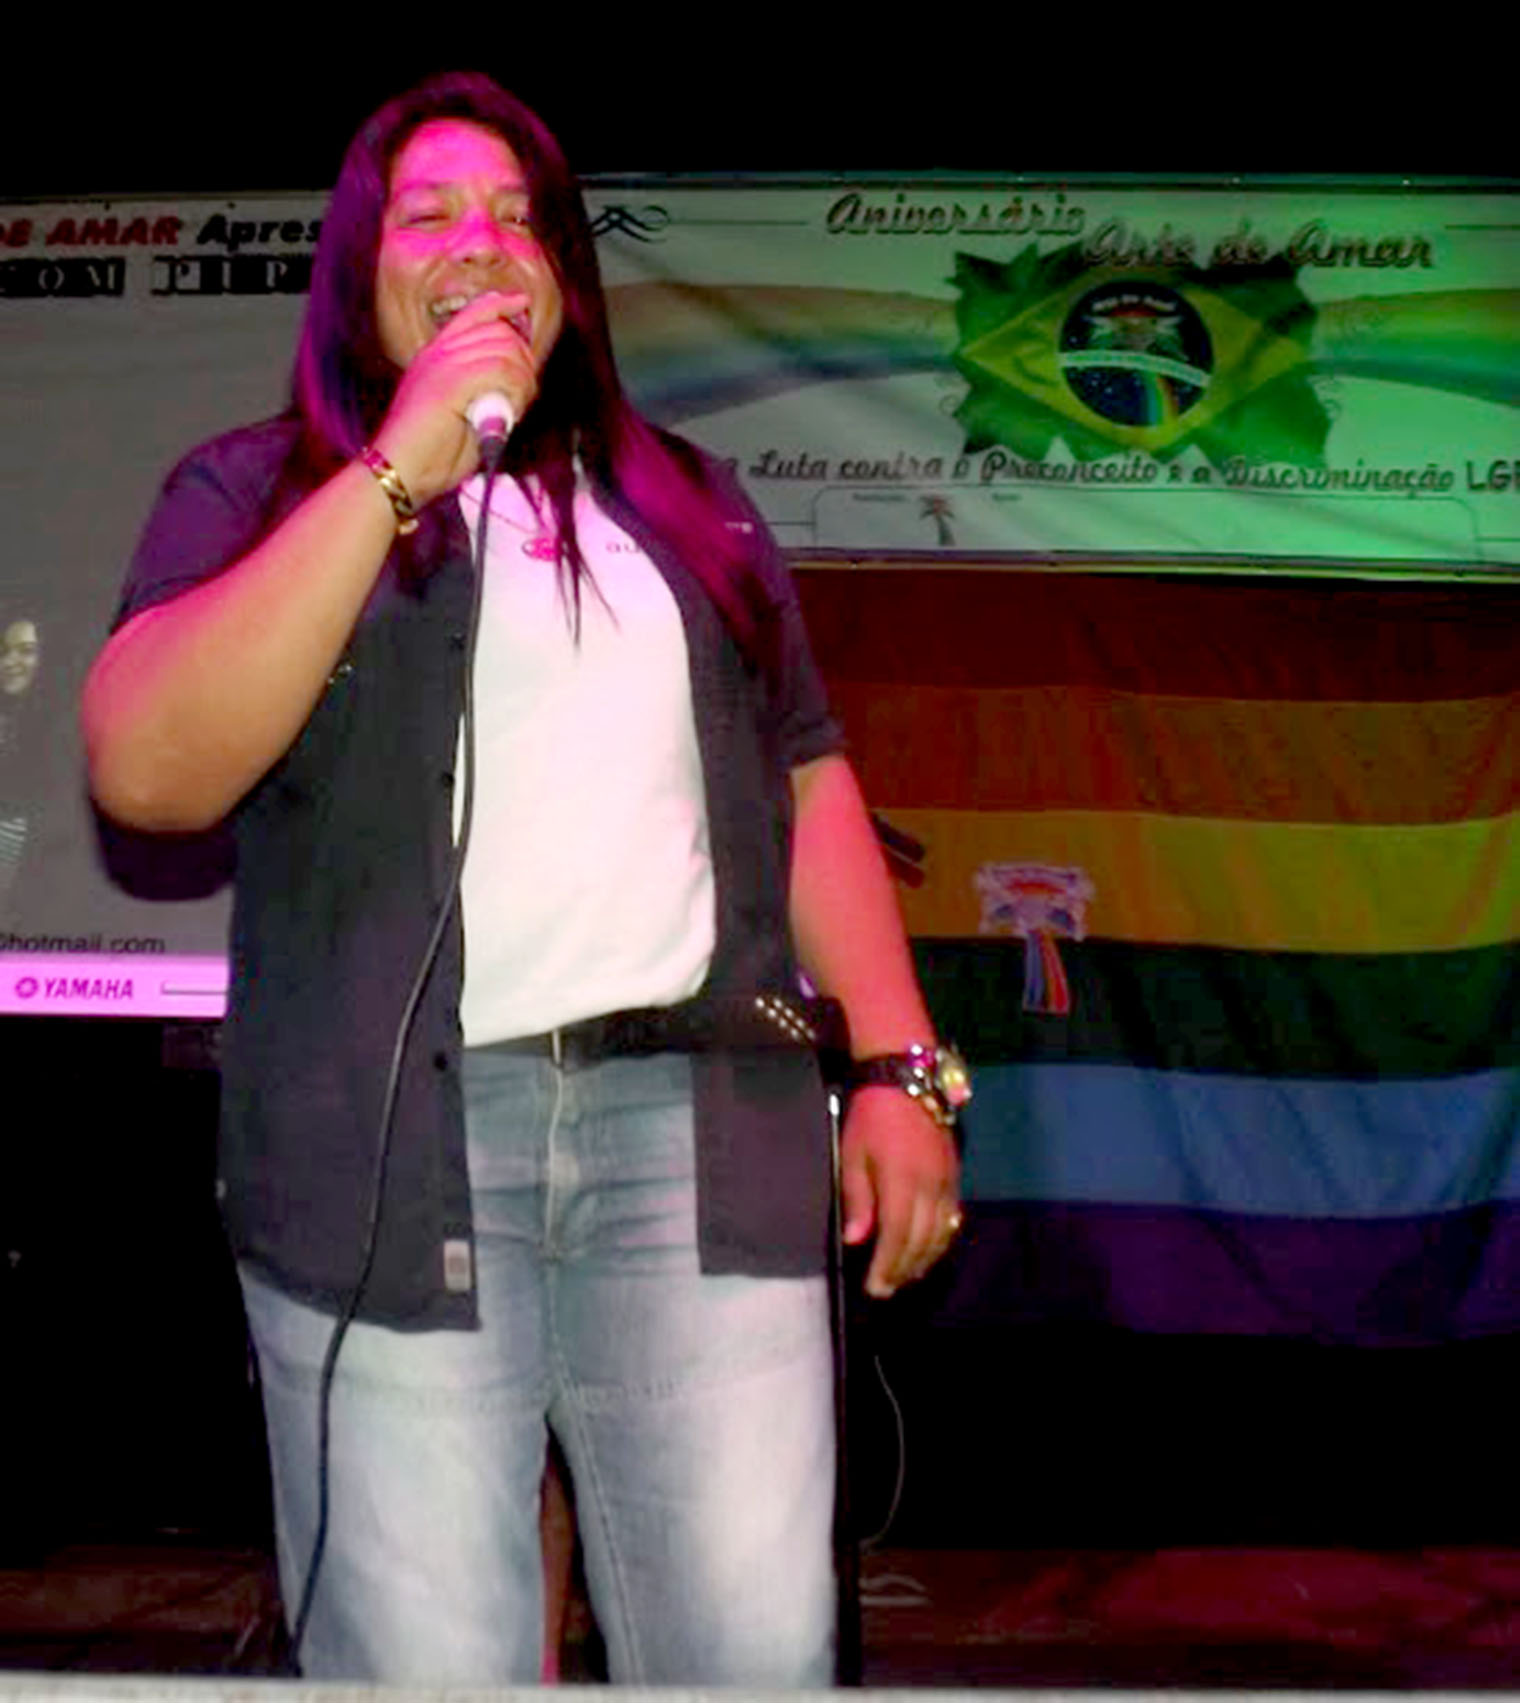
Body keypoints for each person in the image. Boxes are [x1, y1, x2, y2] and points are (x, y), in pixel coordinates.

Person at [82, 72, 963, 1687]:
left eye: (518, 217)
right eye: (430, 216)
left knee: (753, 1656)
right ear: (359, 273)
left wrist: (903, 1067)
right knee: (429, 1668)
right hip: (393, 1159)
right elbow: (145, 772)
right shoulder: (254, 491)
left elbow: (807, 775)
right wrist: (394, 472)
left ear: (568, 275)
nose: (482, 243)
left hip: (696, 1140)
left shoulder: (691, 504)